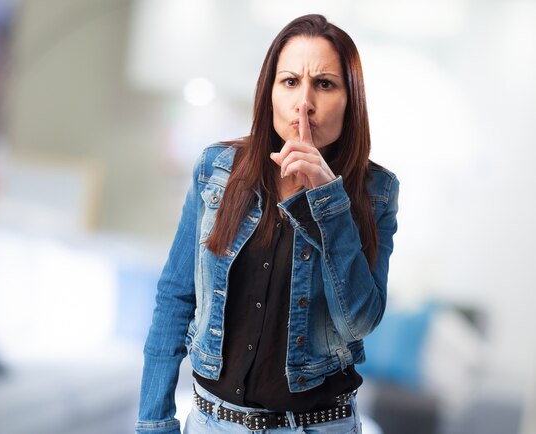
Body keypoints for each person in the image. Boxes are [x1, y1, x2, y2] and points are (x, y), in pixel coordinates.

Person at [135, 13, 399, 434]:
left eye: (325, 84)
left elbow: (359, 321)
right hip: (212, 423)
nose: (304, 101)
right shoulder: (216, 170)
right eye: (290, 81)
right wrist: (153, 421)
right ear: (269, 93)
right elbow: (174, 298)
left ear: (351, 101)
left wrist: (327, 199)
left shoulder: (377, 192)